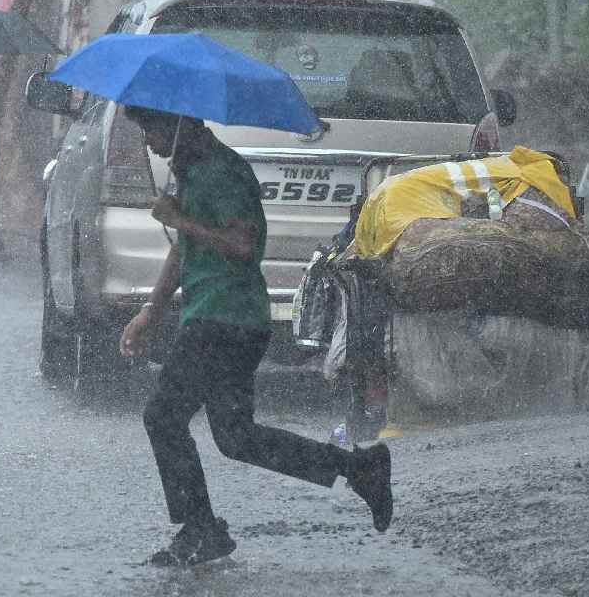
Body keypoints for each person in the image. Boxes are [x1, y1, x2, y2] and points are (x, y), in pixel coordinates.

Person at [118, 106, 393, 566]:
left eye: (152, 128)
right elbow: (185, 251)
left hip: (224, 320)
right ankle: (359, 467)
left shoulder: (222, 172)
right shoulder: (193, 171)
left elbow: (242, 246)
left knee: (163, 416)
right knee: (236, 437)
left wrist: (181, 220)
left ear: (181, 122)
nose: (148, 140)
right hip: (221, 318)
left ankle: (201, 528)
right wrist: (152, 309)